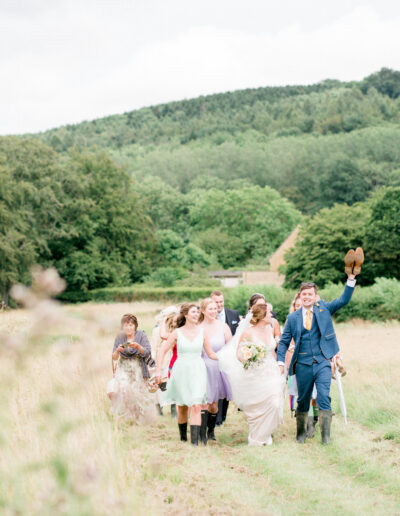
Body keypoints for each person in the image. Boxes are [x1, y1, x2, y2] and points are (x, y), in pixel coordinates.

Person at [277, 254, 361, 444]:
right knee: (303, 399)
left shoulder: (324, 309)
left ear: (315, 296)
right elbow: (283, 342)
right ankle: (300, 433)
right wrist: (281, 361)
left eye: (310, 294)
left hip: (323, 361)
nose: (306, 297)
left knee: (323, 395)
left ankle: (326, 436)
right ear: (300, 296)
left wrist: (350, 280)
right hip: (303, 364)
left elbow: (343, 301)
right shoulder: (293, 318)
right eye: (303, 294)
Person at [218, 303, 285, 445]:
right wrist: (250, 358)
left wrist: (278, 364)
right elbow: (239, 353)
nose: (271, 315)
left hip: (271, 371)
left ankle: (265, 433)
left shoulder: (269, 329)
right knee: (257, 406)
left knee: (274, 403)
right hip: (255, 372)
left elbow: (272, 351)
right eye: (268, 313)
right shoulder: (248, 332)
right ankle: (257, 437)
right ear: (261, 316)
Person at [155, 303, 218, 446]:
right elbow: (162, 351)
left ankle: (194, 443)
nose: (196, 314)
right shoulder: (177, 333)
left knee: (197, 405)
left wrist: (226, 358)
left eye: (197, 312)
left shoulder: (202, 332)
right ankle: (183, 438)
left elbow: (211, 353)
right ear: (186, 315)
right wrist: (158, 371)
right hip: (181, 370)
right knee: (182, 406)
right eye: (193, 312)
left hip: (198, 370)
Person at [108, 314, 156, 423]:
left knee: (137, 392)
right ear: (122, 326)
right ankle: (127, 417)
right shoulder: (119, 337)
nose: (128, 328)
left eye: (131, 325)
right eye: (126, 325)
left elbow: (148, 352)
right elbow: (114, 357)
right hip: (123, 367)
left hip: (138, 367)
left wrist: (138, 347)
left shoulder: (141, 335)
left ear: (135, 326)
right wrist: (118, 351)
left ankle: (138, 417)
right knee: (125, 390)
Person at [199, 298, 232, 444]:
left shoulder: (223, 327)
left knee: (213, 404)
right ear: (203, 311)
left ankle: (211, 430)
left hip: (218, 368)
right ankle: (202, 433)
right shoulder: (198, 327)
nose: (213, 311)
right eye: (210, 309)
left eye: (215, 308)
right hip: (202, 367)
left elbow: (230, 348)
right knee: (204, 402)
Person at [210, 290, 240, 425]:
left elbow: (238, 334)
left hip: (229, 357)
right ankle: (215, 418)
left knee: (227, 387)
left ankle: (222, 417)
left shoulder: (233, 314)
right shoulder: (208, 316)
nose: (219, 304)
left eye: (221, 301)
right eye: (216, 302)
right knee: (215, 387)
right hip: (212, 355)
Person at [150, 306, 179, 417]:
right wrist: (155, 363)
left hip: (174, 360)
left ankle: (174, 411)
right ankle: (159, 410)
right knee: (160, 386)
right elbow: (154, 347)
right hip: (162, 361)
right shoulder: (158, 331)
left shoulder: (178, 330)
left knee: (174, 386)